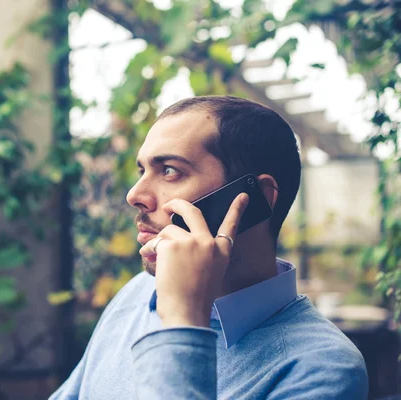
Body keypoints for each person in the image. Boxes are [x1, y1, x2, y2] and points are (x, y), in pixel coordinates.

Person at [50, 96, 368, 399]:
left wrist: (183, 320)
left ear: (256, 199)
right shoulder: (137, 294)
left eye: (170, 170)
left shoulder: (322, 368)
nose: (135, 195)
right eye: (142, 171)